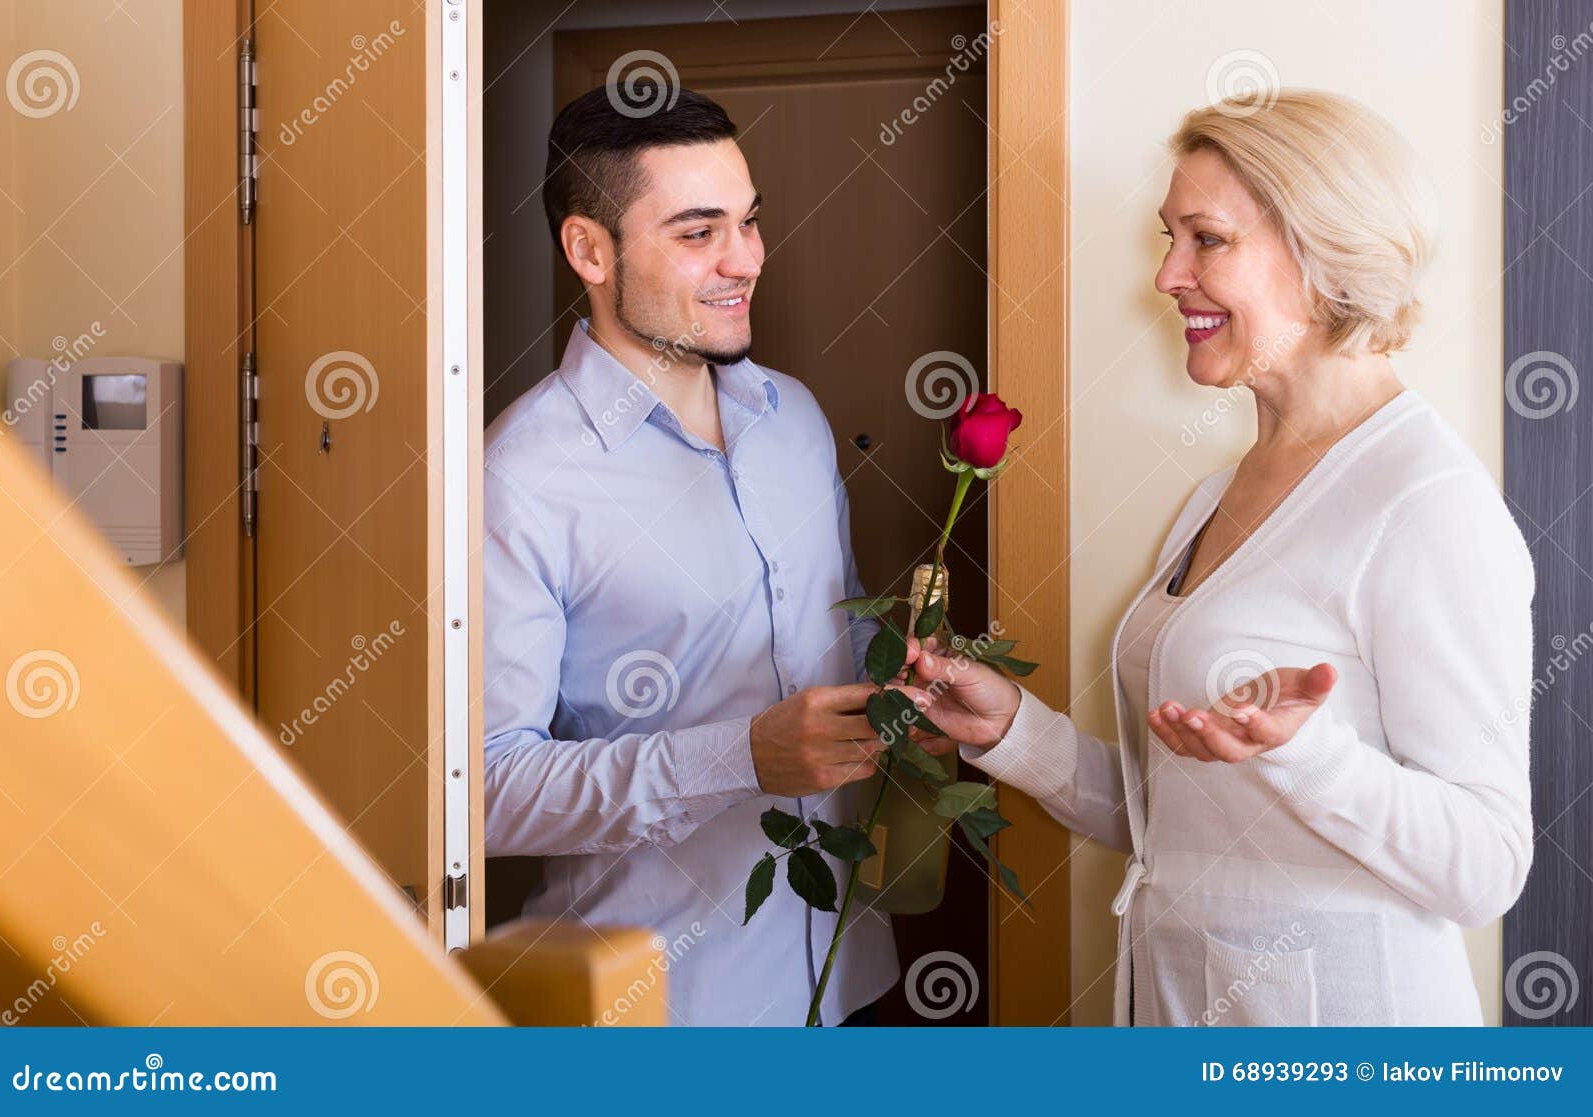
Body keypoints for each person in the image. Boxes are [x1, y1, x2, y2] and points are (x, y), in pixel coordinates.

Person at [898, 89, 1535, 1026]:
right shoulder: (1219, 492)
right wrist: (1011, 732)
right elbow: (1173, 819)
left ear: (1323, 256)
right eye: (1170, 237)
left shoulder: (1426, 501)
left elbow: (1485, 865)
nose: (1167, 276)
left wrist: (1310, 756)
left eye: (1206, 239)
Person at [481, 87, 933, 1025]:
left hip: (849, 982)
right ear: (589, 251)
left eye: (750, 221)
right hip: (672, 1014)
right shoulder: (517, 477)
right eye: (699, 233)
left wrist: (911, 695)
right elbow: (482, 789)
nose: (747, 261)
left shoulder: (795, 420)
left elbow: (837, 646)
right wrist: (741, 756)